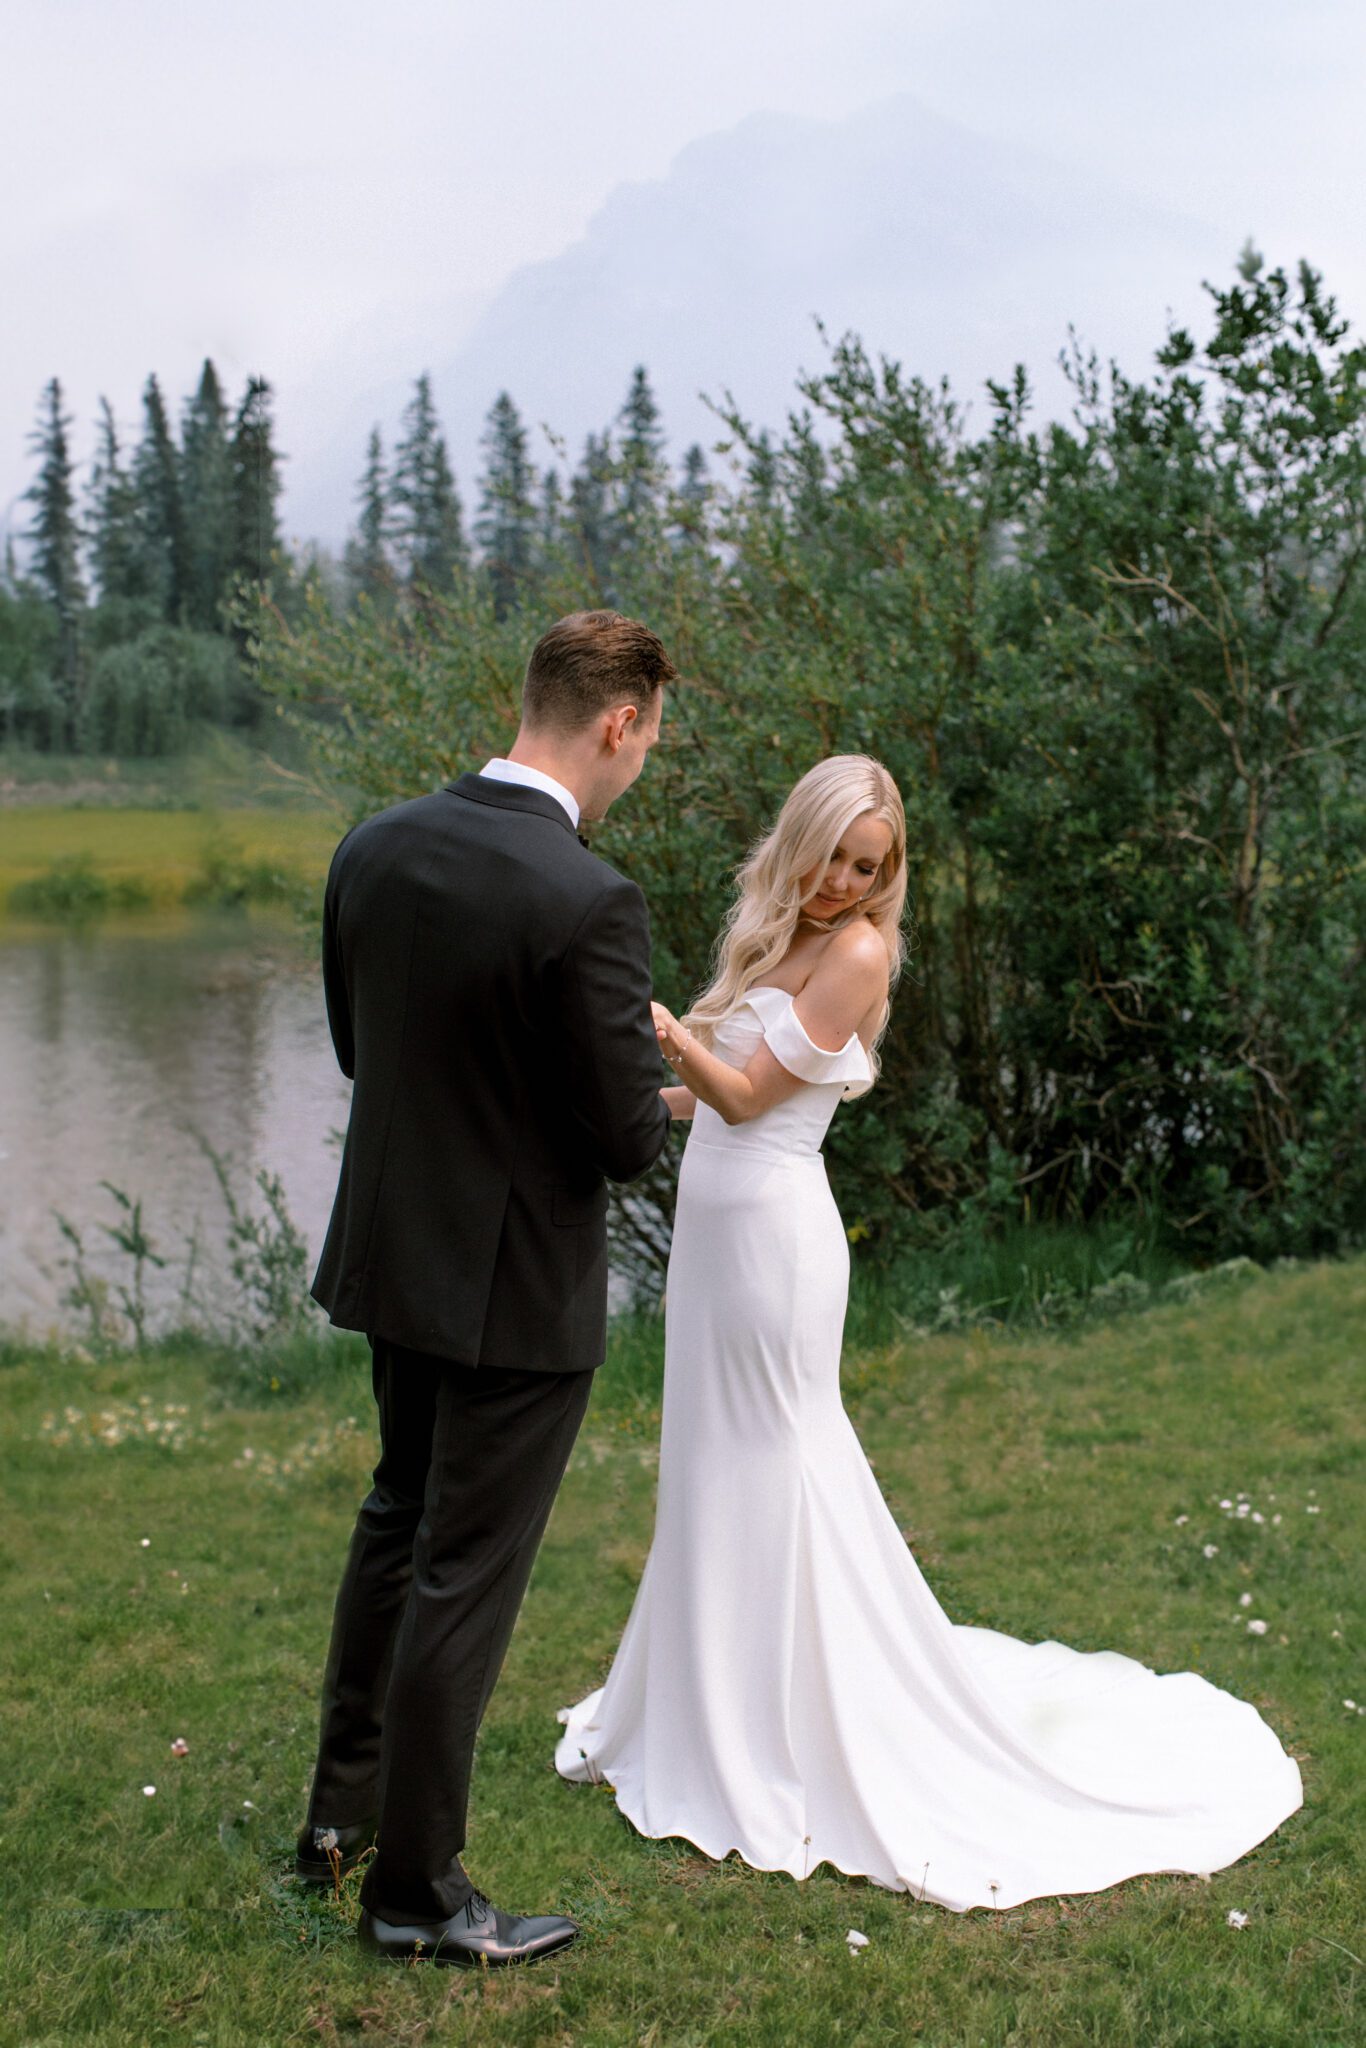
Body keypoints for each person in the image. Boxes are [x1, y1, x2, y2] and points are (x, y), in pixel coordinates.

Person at [555, 753, 1303, 1910]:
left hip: (772, 1239)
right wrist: (625, 1090)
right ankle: (715, 1698)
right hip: (715, 1235)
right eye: (835, 856)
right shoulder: (771, 936)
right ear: (798, 838)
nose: (845, 882)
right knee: (710, 1451)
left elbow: (751, 1099)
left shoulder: (859, 951)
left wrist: (653, 1024)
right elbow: (711, 1093)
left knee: (777, 1452)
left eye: (869, 866)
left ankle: (794, 1717)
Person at [297, 609, 676, 1968]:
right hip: (516, 1292)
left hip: (400, 1255)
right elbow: (628, 1141)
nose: (641, 763)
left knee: (397, 1520)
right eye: (648, 739)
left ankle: (337, 1824)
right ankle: (414, 1892)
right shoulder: (589, 900)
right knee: (465, 1571)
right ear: (617, 721)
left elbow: (363, 1050)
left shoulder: (376, 845)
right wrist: (640, 1075)